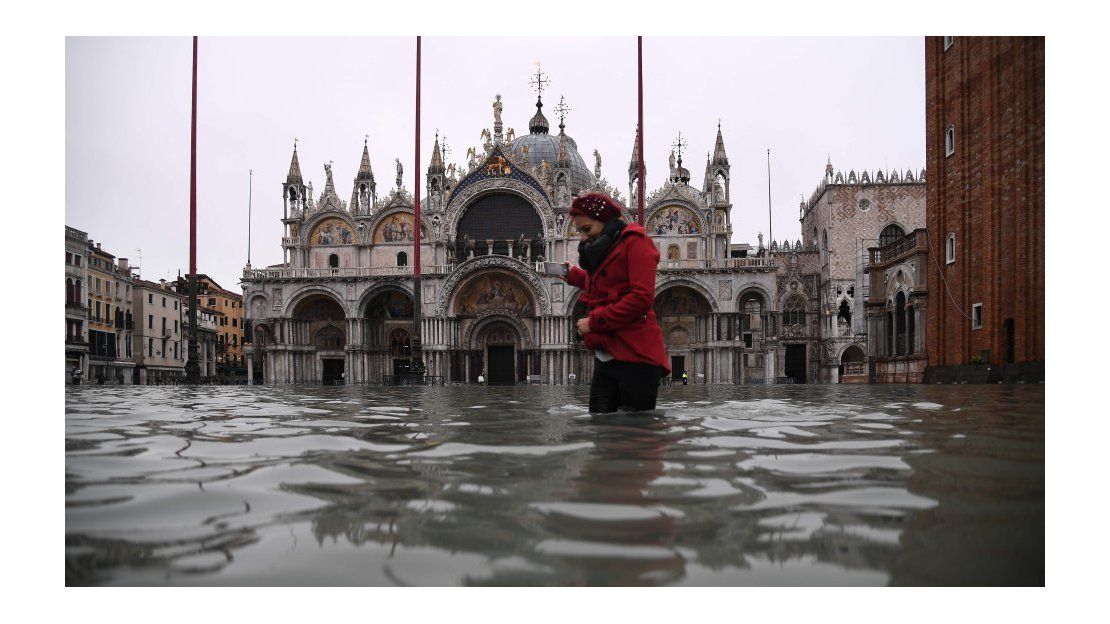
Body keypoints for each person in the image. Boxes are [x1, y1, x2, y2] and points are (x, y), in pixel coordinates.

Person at [561, 193, 669, 413]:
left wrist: (593, 323)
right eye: (579, 231)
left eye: (587, 229)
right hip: (608, 353)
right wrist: (573, 275)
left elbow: (640, 298)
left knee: (635, 433)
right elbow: (607, 284)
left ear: (605, 221)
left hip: (637, 356)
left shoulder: (636, 242)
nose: (582, 238)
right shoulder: (605, 249)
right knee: (600, 427)